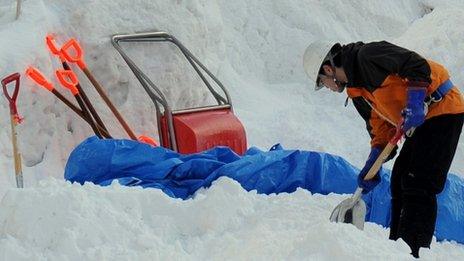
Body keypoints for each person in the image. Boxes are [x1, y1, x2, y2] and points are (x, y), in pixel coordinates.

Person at [303, 40, 464, 258]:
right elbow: (381, 130)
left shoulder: (369, 55)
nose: (328, 89)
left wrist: (415, 100)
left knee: (418, 183)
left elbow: (416, 65)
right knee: (399, 180)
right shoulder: (357, 93)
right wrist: (374, 161)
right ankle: (396, 249)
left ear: (329, 69)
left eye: (323, 83)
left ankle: (412, 252)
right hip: (422, 121)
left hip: (443, 107)